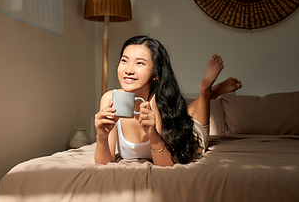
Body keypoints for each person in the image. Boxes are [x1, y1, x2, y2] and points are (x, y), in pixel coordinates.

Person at [94, 35, 242, 166]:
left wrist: (153, 135)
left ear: (155, 74)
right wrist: (101, 136)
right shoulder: (109, 99)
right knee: (185, 113)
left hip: (189, 136)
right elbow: (105, 163)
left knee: (192, 122)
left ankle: (205, 91)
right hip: (176, 117)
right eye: (124, 60)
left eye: (139, 63)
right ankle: (210, 93)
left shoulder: (160, 101)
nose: (128, 70)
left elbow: (166, 165)